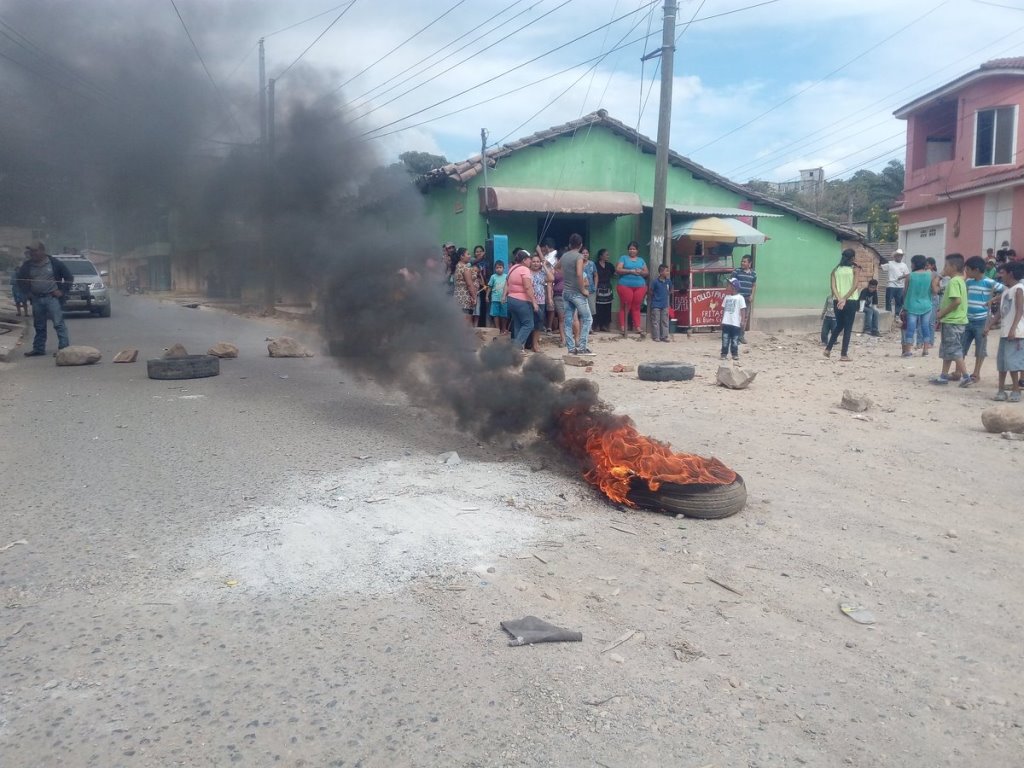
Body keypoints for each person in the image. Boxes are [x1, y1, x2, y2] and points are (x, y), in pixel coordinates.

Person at [16, 240, 73, 356]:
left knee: (58, 324)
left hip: (52, 298)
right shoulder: (27, 265)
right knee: (39, 325)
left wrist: (62, 291)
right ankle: (39, 348)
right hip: (37, 299)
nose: (32, 253)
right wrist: (27, 293)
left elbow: (69, 277)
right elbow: (20, 280)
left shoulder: (54, 263)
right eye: (31, 251)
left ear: (42, 251)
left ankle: (64, 349)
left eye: (35, 251)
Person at [960, 255, 1004, 388]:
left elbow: (1008, 291)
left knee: (980, 348)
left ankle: (976, 373)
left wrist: (994, 300)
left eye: (968, 269)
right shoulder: (968, 282)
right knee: (962, 346)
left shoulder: (990, 282)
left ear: (977, 269)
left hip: (981, 320)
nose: (966, 272)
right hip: (967, 319)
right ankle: (960, 371)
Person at [930, 253, 969, 385]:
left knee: (954, 349)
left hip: (952, 320)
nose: (944, 268)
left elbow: (956, 301)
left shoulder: (953, 282)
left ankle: (966, 377)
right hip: (958, 320)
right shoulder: (961, 281)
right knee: (948, 348)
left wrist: (941, 313)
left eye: (946, 266)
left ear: (952, 266)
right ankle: (943, 375)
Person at [992, 261, 1024, 401]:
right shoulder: (1006, 291)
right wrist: (989, 325)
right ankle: (1000, 390)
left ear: (1010, 273)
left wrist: (1013, 329)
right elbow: (1001, 312)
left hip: (1015, 333)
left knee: (1012, 363)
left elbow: (1019, 310)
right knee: (1002, 362)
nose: (1000, 275)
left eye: (1002, 273)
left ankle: (1016, 391)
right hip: (1005, 333)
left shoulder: (1019, 289)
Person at [560, 233, 595, 356]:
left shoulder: (564, 256)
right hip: (576, 293)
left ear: (570, 244)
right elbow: (580, 274)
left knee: (568, 320)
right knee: (587, 318)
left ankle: (570, 348)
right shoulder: (579, 256)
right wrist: (583, 290)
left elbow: (556, 268)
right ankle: (582, 347)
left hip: (566, 292)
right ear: (580, 245)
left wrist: (567, 275)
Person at [824, 249, 861, 362]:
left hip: (837, 301)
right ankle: (843, 354)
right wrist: (845, 299)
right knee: (848, 328)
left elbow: (833, 287)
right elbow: (854, 286)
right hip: (850, 301)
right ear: (853, 258)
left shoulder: (835, 270)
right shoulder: (855, 270)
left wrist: (839, 298)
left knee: (839, 325)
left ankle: (828, 349)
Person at [901, 254, 938, 357]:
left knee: (911, 327)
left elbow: (905, 292)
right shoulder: (930, 275)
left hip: (912, 306)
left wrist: (904, 306)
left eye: (912, 263)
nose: (911, 265)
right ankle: (925, 350)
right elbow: (934, 290)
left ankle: (908, 351)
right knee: (925, 326)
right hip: (926, 305)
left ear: (914, 264)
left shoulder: (909, 276)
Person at [503, 249, 536, 351]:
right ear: (524, 260)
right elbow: (527, 287)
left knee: (517, 324)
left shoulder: (512, 268)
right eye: (529, 259)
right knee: (528, 324)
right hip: (522, 300)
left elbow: (507, 284)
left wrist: (504, 296)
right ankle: (516, 347)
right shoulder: (524, 269)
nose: (530, 261)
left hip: (511, 299)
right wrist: (534, 302)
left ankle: (518, 349)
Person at [616, 241, 648, 338]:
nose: (632, 250)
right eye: (630, 249)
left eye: (634, 249)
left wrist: (641, 272)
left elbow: (646, 272)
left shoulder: (641, 260)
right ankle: (623, 327)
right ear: (628, 250)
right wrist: (630, 271)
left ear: (637, 250)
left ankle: (638, 327)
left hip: (640, 286)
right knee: (626, 306)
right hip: (625, 285)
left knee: (637, 306)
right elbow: (618, 269)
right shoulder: (623, 258)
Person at [730, 255, 757, 343]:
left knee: (744, 318)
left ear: (749, 263)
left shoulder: (753, 274)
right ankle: (734, 335)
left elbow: (754, 285)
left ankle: (741, 336)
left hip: (747, 299)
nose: (742, 263)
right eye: (742, 261)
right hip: (737, 298)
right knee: (735, 316)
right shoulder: (736, 271)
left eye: (745, 261)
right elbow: (732, 283)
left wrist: (752, 295)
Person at [720, 278, 746, 361]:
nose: (727, 286)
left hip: (735, 323)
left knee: (735, 339)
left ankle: (734, 354)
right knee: (725, 339)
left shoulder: (740, 298)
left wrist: (742, 321)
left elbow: (743, 310)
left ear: (733, 287)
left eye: (729, 285)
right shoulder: (726, 297)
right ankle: (724, 354)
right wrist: (722, 320)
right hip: (726, 322)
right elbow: (724, 310)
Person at [529, 254, 550, 352]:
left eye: (538, 261)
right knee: (529, 322)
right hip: (529, 301)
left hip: (541, 301)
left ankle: (535, 344)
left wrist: (545, 266)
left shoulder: (542, 273)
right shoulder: (527, 272)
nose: (536, 263)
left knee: (539, 322)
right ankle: (527, 344)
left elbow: (551, 278)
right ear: (530, 262)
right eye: (534, 261)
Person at [452, 247, 477, 326]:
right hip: (465, 297)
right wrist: (474, 297)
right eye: (468, 254)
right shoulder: (465, 268)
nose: (470, 256)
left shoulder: (457, 266)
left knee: (459, 321)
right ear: (462, 256)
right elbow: (469, 284)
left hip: (457, 296)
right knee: (467, 322)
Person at [882, 248, 910, 315]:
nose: (899, 257)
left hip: (900, 286)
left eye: (901, 255)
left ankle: (897, 315)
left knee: (899, 301)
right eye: (898, 255)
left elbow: (907, 275)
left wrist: (902, 277)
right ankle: (888, 314)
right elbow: (881, 266)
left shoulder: (904, 265)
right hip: (891, 284)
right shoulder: (890, 263)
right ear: (895, 256)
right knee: (888, 300)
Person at [594, 249, 616, 332]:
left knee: (607, 307)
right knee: (598, 307)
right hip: (598, 288)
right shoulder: (595, 265)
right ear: (601, 256)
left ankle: (605, 325)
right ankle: (596, 325)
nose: (608, 256)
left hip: (607, 288)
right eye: (606, 255)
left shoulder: (610, 265)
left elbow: (615, 273)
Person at [649, 263, 672, 342]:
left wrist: (667, 294)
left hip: (664, 304)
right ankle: (656, 337)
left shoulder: (668, 281)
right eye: (666, 271)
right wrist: (656, 297)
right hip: (656, 304)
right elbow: (651, 291)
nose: (668, 272)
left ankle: (664, 336)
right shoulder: (655, 282)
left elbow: (671, 290)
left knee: (665, 321)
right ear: (661, 272)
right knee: (656, 321)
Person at [486, 260, 508, 334]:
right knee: (495, 315)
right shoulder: (493, 277)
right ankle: (497, 329)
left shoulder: (506, 276)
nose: (499, 269)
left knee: (504, 315)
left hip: (504, 299)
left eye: (500, 267)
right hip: (495, 299)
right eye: (497, 268)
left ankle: (503, 329)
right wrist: (487, 296)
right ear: (495, 269)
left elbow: (509, 287)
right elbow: (489, 287)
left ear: (503, 268)